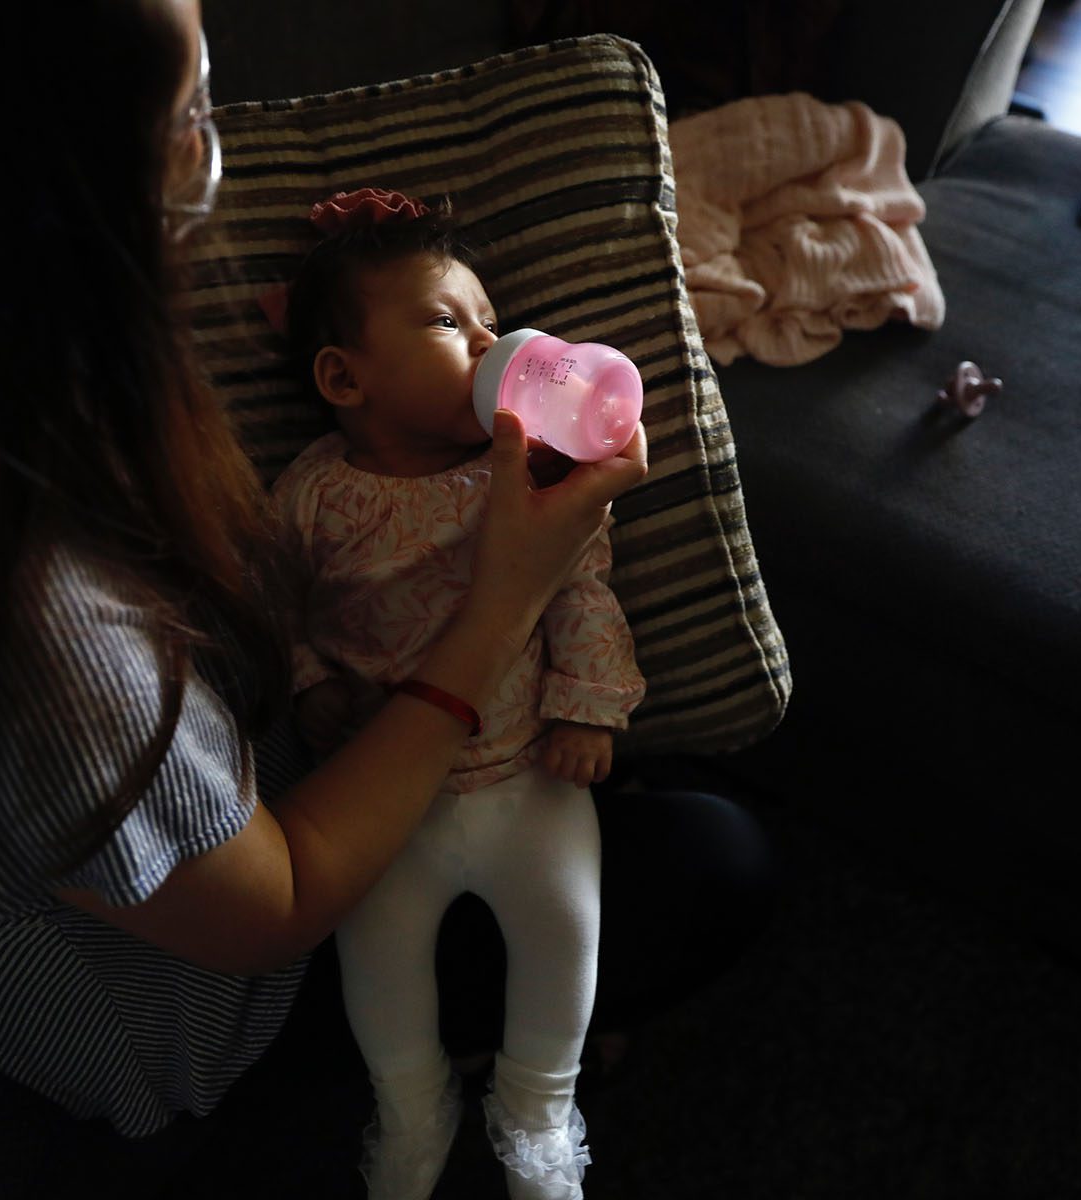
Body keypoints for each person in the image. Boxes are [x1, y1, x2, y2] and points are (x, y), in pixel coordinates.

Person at [0, 0, 774, 1192]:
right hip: (183, 1011)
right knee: (712, 858)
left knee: (655, 798)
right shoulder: (52, 639)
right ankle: (424, 1093)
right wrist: (506, 596)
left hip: (154, 838)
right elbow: (280, 904)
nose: (218, 161)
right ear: (42, 209)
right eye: (197, 114)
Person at [269, 187, 640, 1200]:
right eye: (447, 321)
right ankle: (411, 1103)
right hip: (389, 793)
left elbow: (582, 586)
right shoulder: (311, 495)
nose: (491, 341)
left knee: (568, 929)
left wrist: (587, 706)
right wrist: (311, 691)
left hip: (531, 767)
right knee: (375, 955)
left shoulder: (525, 472)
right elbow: (278, 612)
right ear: (346, 378)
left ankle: (537, 1110)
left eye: (490, 317)